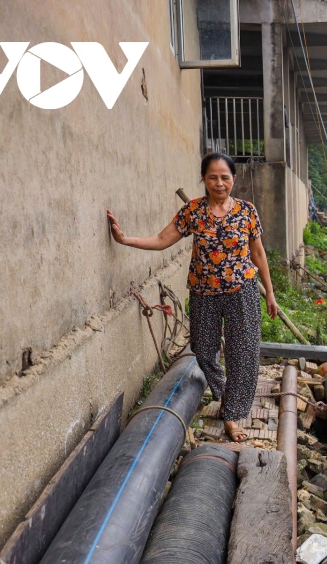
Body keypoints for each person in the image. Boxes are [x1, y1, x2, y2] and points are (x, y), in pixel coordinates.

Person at [106, 152, 279, 443]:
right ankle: (224, 392)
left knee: (244, 352)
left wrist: (270, 293)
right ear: (203, 179)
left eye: (225, 177)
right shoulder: (193, 211)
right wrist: (126, 240)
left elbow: (258, 253)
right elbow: (162, 240)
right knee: (202, 347)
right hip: (204, 292)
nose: (219, 183)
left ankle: (233, 416)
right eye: (213, 177)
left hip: (243, 291)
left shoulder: (247, 211)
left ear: (233, 179)